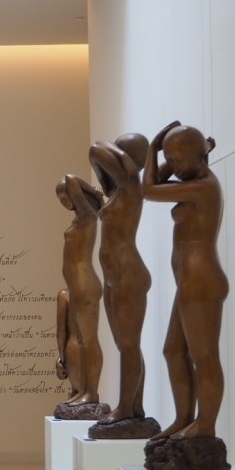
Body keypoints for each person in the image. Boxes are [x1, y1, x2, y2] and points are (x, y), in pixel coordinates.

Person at [142, 121, 228, 441]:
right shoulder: (192, 179)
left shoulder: (204, 186)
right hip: (189, 282)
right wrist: (166, 154)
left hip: (202, 280)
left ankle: (206, 424)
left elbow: (148, 190)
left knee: (204, 357)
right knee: (173, 351)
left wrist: (153, 148)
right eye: (170, 160)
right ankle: (183, 418)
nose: (173, 167)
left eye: (178, 160)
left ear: (198, 155)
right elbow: (154, 184)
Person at [89, 134, 152, 423]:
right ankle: (135, 406)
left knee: (128, 345)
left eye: (120, 149)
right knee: (126, 345)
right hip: (116, 275)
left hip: (127, 273)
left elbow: (95, 149)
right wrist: (122, 157)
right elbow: (97, 156)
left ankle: (125, 407)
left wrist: (123, 158)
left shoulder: (130, 185)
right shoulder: (119, 190)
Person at [55, 174, 104, 406]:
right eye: (61, 200)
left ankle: (91, 392)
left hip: (84, 283)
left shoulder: (87, 217)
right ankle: (83, 388)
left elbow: (71, 178)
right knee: (79, 339)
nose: (65, 202)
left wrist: (94, 192)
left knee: (88, 340)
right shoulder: (79, 220)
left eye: (66, 196)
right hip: (76, 286)